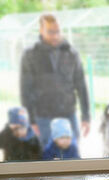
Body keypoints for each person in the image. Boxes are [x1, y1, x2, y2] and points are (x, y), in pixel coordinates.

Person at [20, 14, 90, 149]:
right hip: (42, 118)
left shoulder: (71, 53)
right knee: (46, 162)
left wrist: (86, 117)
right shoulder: (30, 54)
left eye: (57, 31)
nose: (55, 36)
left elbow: (81, 85)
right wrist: (31, 121)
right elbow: (25, 90)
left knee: (72, 160)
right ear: (41, 30)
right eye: (50, 32)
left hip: (68, 115)